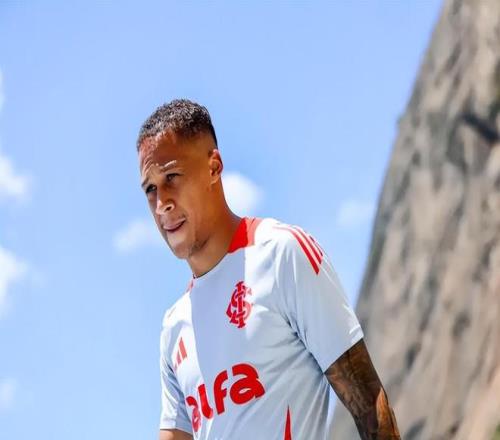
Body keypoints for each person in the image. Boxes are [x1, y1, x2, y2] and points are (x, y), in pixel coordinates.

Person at [136, 99, 400, 440]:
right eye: (150, 188)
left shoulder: (282, 255)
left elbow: (370, 407)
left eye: (172, 177)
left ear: (214, 167)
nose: (162, 203)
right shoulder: (174, 325)